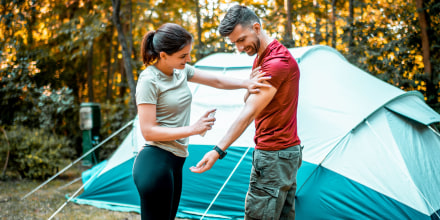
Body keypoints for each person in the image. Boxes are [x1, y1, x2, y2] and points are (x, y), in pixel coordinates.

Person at [132, 23, 271, 220]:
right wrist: (193, 129)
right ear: (163, 55)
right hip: (155, 161)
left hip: (175, 161)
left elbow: (217, 80)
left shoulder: (181, 71)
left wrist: (246, 83)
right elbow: (148, 131)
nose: (188, 59)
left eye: (188, 53)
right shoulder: (149, 80)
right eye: (183, 56)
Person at [190, 5, 302, 220]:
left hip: (273, 155)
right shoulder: (263, 57)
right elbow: (251, 98)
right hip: (285, 152)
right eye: (234, 43)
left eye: (241, 40)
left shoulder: (275, 64)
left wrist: (217, 151)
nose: (239, 48)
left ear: (257, 27)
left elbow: (249, 111)